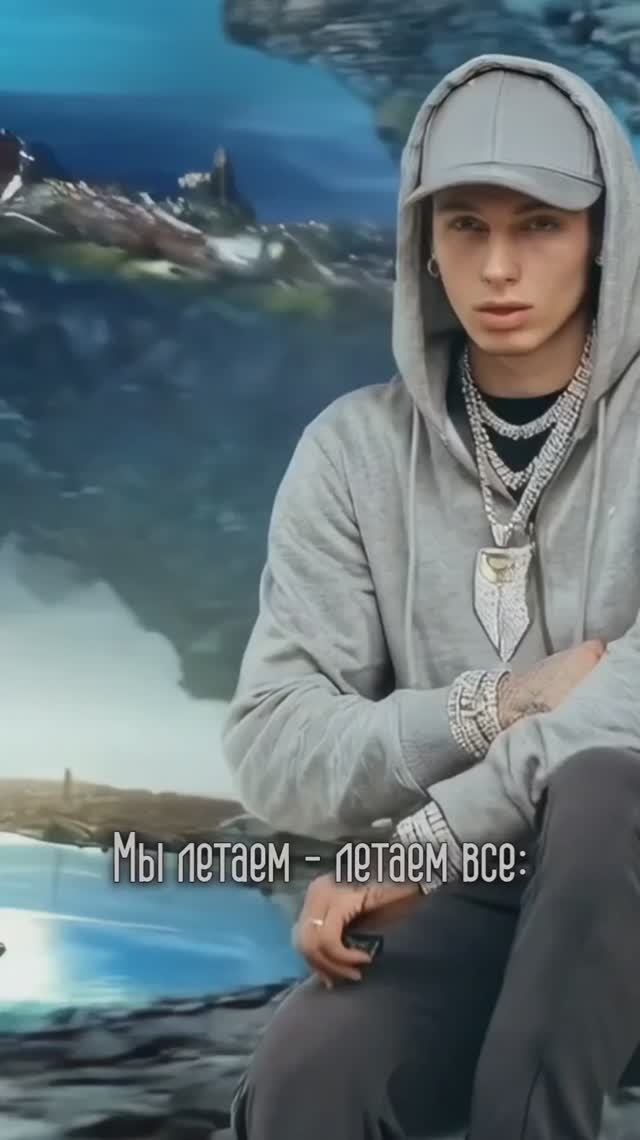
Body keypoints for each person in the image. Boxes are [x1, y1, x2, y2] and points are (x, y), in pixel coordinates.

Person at [222, 53, 640, 1140]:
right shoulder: (351, 453)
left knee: (606, 789)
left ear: (603, 232)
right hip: (483, 885)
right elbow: (273, 744)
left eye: (540, 224)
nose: (499, 266)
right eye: (466, 225)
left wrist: (422, 844)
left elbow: (630, 703)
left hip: (619, 872)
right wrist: (493, 705)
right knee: (311, 1077)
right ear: (425, 241)